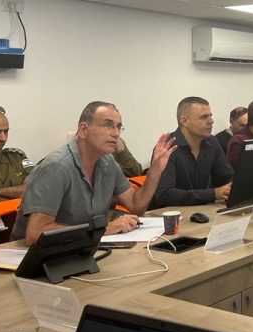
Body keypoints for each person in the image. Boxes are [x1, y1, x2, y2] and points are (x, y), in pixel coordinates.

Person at [11, 101, 177, 245]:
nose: (116, 133)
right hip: (30, 256)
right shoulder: (56, 167)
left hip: (82, 247)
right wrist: (102, 230)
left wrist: (155, 170)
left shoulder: (107, 162)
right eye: (108, 125)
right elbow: (36, 234)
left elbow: (136, 206)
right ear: (83, 130)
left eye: (119, 127)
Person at [150, 97, 234, 210]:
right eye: (204, 117)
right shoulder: (167, 148)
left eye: (210, 115)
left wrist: (232, 187)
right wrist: (213, 194)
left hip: (201, 210)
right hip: (168, 214)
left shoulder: (212, 142)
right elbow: (164, 195)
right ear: (184, 121)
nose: (211, 121)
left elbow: (226, 176)